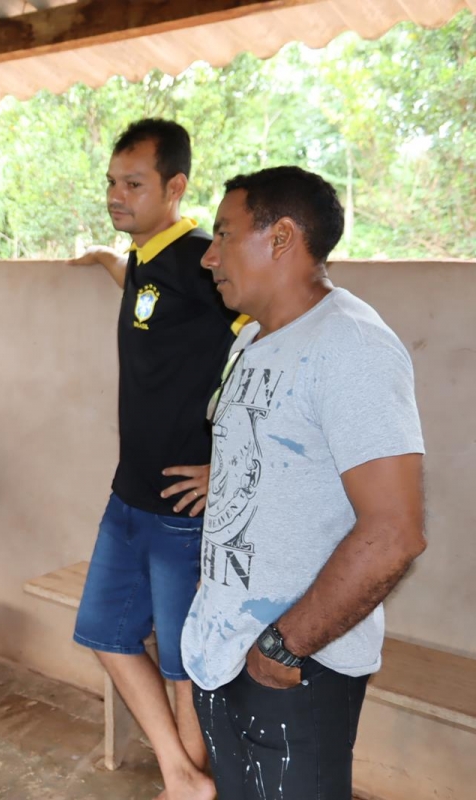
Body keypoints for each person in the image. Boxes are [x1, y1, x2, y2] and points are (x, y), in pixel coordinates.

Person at [183, 165, 426, 799]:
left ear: (282, 237)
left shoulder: (353, 346)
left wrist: (283, 648)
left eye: (224, 234)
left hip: (293, 668)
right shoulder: (252, 339)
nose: (209, 256)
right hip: (225, 651)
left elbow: (394, 533)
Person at [68, 119, 247, 799]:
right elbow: (151, 303)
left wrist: (228, 465)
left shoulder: (204, 261)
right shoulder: (146, 257)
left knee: (183, 665)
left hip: (181, 508)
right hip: (129, 497)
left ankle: (188, 784)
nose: (116, 195)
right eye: (112, 182)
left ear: (175, 187)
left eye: (133, 184)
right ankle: (183, 776)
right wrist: (105, 261)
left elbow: (270, 339)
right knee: (104, 632)